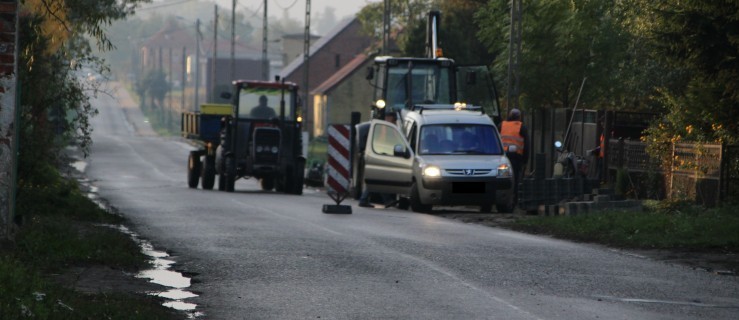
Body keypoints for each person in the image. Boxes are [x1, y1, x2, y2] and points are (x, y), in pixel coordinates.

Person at [358, 110, 399, 208]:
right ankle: (385, 200)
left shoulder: (384, 127)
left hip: (379, 154)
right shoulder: (383, 128)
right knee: (378, 178)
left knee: (377, 179)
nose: (391, 121)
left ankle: (367, 199)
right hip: (378, 155)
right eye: (391, 119)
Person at [499, 108, 529, 205]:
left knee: (503, 177)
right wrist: (525, 160)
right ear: (519, 117)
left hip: (502, 158)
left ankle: (501, 199)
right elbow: (527, 145)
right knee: (515, 179)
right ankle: (514, 201)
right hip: (515, 158)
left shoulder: (501, 125)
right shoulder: (522, 127)